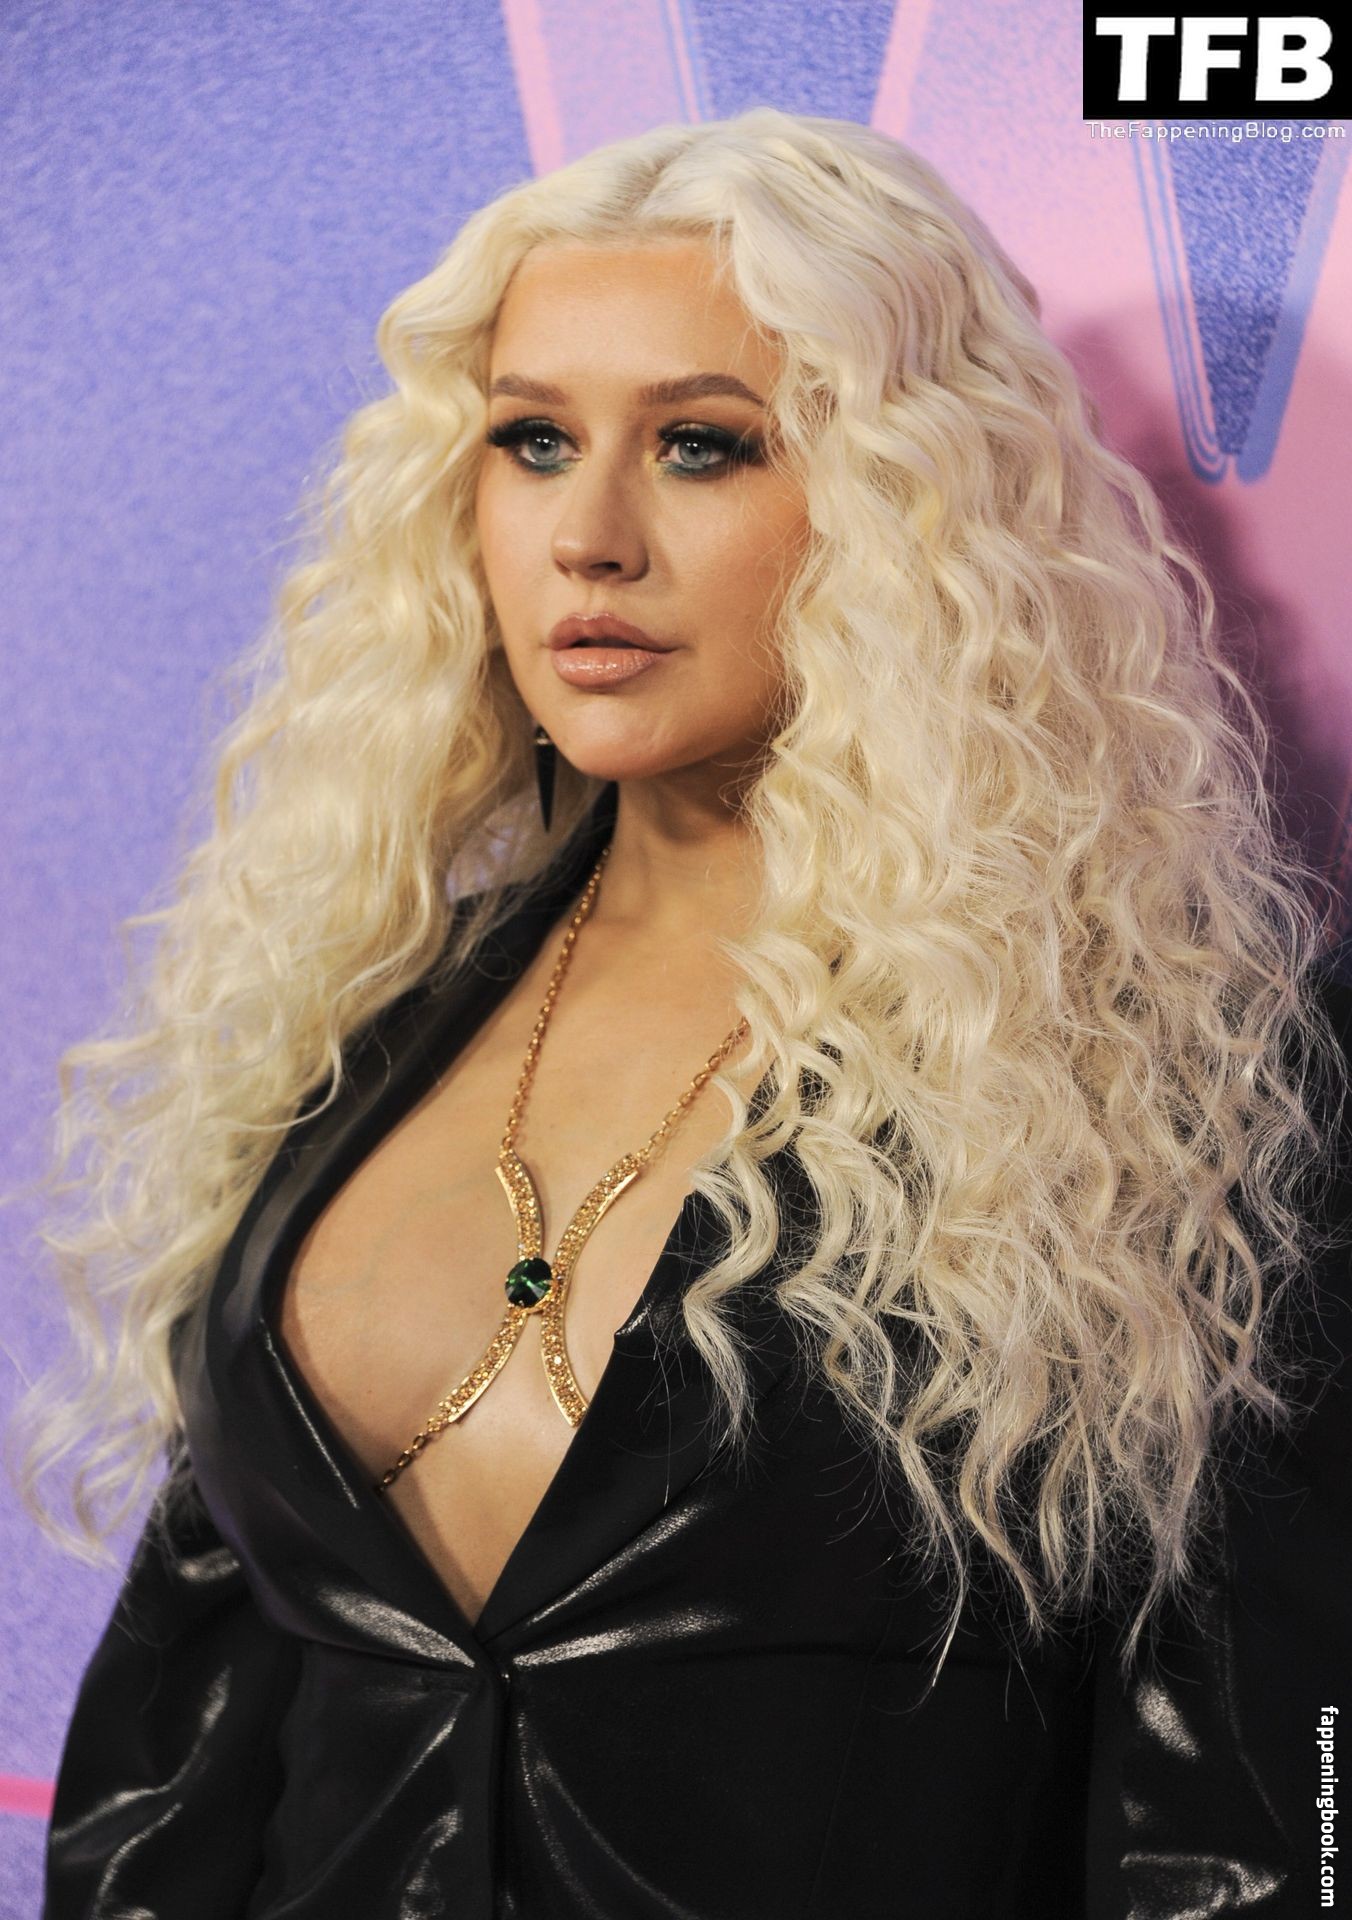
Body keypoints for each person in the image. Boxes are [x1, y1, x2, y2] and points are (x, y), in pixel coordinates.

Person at [16, 105, 1351, 1918]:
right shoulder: (355, 1013)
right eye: (534, 441)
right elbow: (172, 1761)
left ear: (900, 509)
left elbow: (1252, 1834)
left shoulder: (1172, 1080)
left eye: (702, 445)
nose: (590, 536)